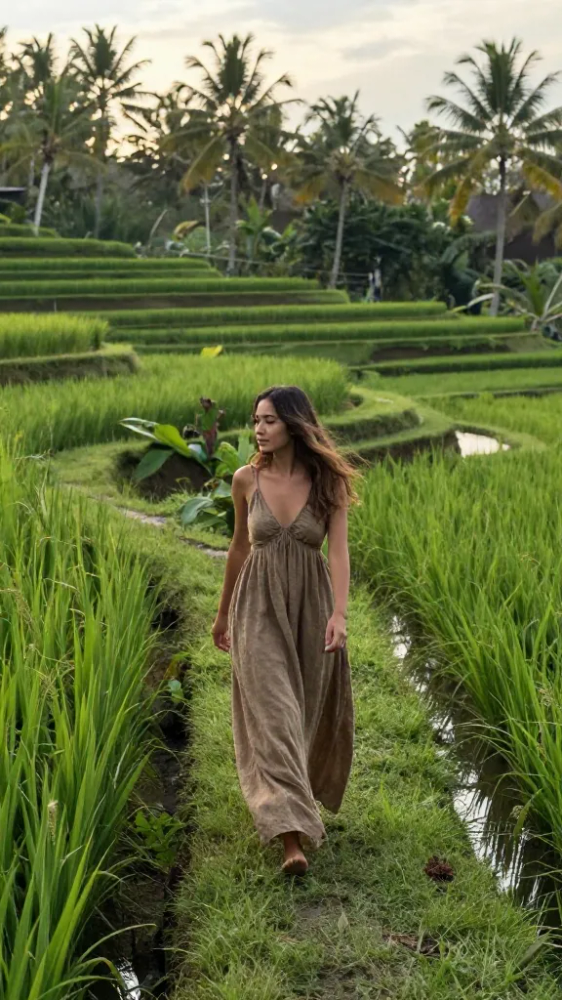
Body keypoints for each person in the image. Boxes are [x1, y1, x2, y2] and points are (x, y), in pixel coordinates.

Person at [212, 385, 357, 876]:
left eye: (269, 420)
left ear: (294, 423)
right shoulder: (245, 480)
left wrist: (339, 614)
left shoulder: (327, 482)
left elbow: (337, 553)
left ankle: (295, 800)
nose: (259, 428)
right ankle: (290, 840)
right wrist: (220, 612)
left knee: (302, 715)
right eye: (256, 420)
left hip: (312, 609)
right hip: (256, 609)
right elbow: (238, 549)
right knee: (274, 713)